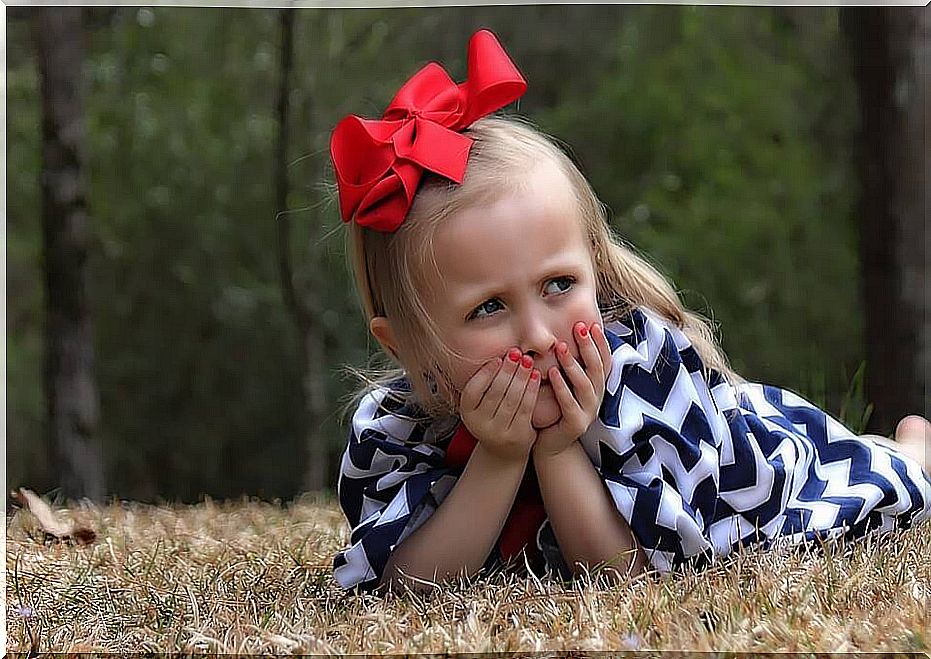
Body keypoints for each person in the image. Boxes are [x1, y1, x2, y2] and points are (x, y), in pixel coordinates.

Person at [328, 30, 931, 594]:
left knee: (884, 487)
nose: (539, 335)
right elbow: (402, 586)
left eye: (559, 284)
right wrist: (499, 458)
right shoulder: (395, 430)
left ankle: (911, 449)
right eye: (488, 307)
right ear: (406, 345)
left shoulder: (639, 375)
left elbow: (630, 574)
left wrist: (560, 449)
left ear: (595, 268)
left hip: (758, 458)